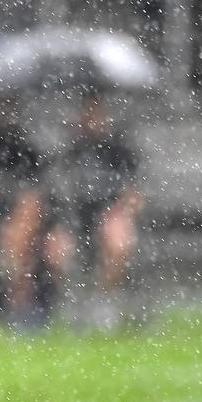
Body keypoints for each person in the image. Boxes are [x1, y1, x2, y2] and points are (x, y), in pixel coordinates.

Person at [0, 95, 69, 327]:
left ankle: (49, 306)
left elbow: (42, 192)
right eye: (3, 109)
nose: (7, 116)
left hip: (33, 222)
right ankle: (22, 304)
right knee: (17, 239)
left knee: (54, 247)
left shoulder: (27, 149)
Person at [60, 91, 141, 330]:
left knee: (118, 242)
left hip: (110, 213)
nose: (93, 119)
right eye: (88, 113)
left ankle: (104, 300)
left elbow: (134, 194)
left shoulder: (120, 151)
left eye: (97, 113)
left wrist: (119, 211)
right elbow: (55, 189)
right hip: (75, 219)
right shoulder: (72, 151)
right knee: (57, 250)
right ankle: (72, 303)